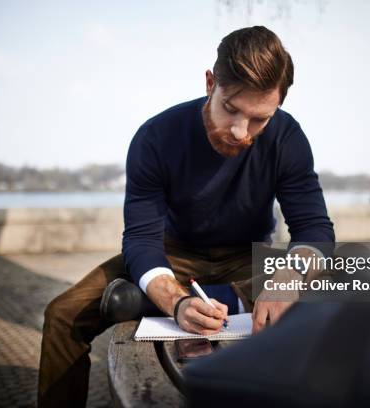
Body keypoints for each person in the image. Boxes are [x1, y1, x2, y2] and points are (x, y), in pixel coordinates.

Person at [37, 25, 334, 407]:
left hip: (250, 258)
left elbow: (314, 228)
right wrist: (175, 301)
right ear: (211, 83)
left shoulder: (287, 137)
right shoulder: (155, 137)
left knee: (339, 288)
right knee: (62, 315)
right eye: (231, 109)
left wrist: (289, 277)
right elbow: (141, 240)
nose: (241, 132)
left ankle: (151, 300)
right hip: (171, 253)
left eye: (259, 118)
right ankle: (210, 300)